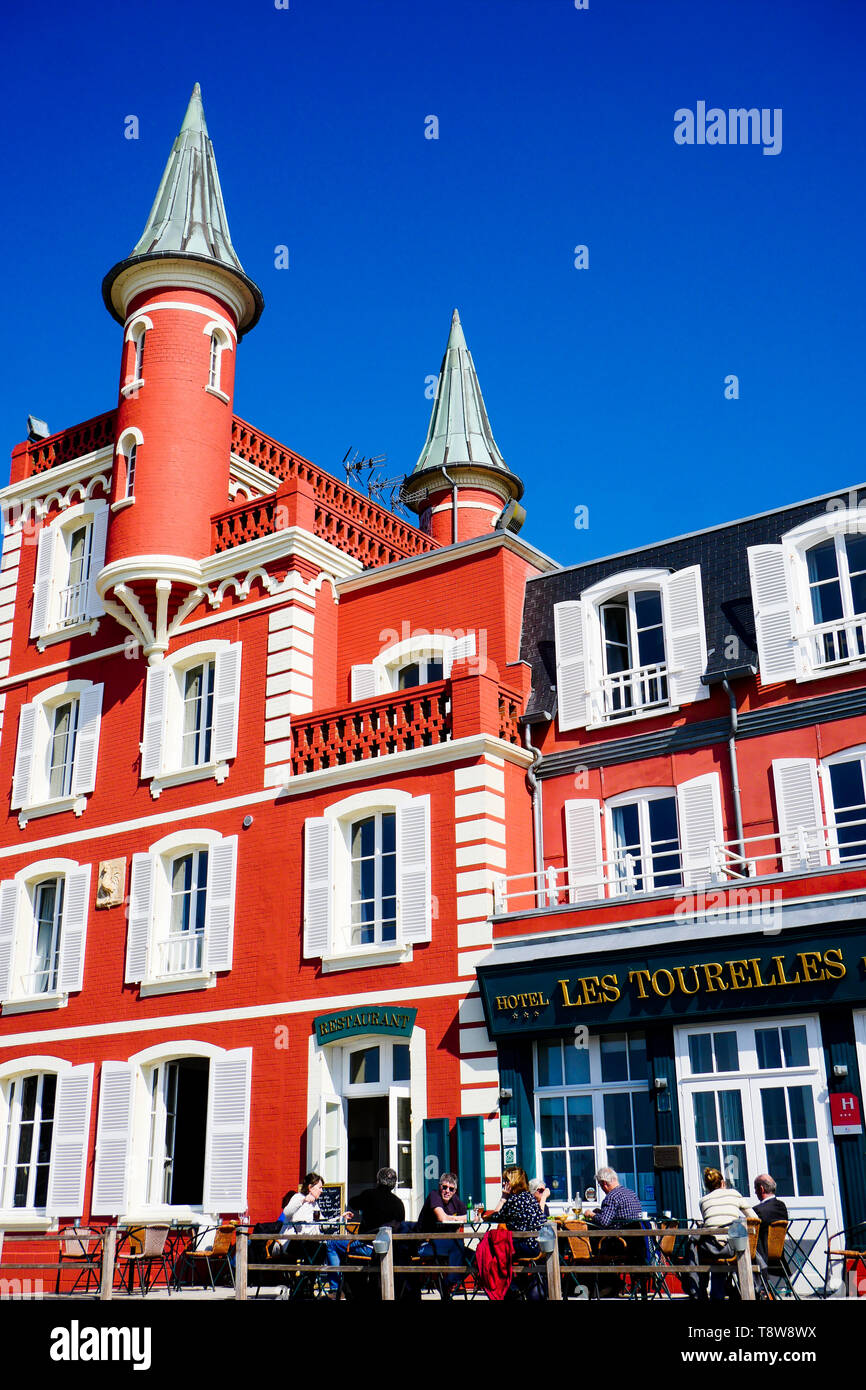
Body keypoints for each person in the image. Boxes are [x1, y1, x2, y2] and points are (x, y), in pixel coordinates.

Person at [324, 1166, 405, 1299]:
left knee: (332, 1243)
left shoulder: (369, 1195)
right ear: (394, 1184)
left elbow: (352, 1203)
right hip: (391, 1249)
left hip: (368, 1247)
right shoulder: (399, 1203)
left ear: (378, 1180)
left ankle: (336, 1290)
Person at [685, 1166, 757, 1301]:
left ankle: (702, 1292)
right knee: (736, 1238)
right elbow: (753, 1218)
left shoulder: (703, 1201)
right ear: (723, 1183)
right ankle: (750, 1289)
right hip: (733, 1248)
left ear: (706, 1186)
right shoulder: (734, 1194)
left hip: (711, 1249)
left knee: (702, 1246)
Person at [585, 1167, 647, 1298]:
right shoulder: (631, 1193)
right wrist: (601, 1213)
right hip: (638, 1243)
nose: (602, 1189)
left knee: (595, 1251)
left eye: (601, 1186)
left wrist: (591, 1215)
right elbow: (621, 1216)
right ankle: (613, 1284)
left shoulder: (611, 1197)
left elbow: (604, 1222)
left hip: (622, 1244)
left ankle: (610, 1285)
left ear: (604, 1184)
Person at [416, 1173, 467, 1292]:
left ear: (455, 1191)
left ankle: (449, 1283)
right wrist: (458, 1218)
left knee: (473, 1256)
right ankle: (448, 1284)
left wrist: (455, 1218)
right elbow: (441, 1217)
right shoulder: (434, 1195)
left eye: (451, 1189)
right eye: (444, 1187)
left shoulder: (455, 1200)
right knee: (458, 1245)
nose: (447, 1191)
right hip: (425, 1245)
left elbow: (469, 1216)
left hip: (443, 1245)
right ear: (440, 1187)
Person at [752, 1174, 788, 1273]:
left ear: (761, 1188)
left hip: (761, 1255)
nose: (755, 1192)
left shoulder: (757, 1211)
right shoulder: (782, 1206)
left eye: (755, 1188)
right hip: (777, 1253)